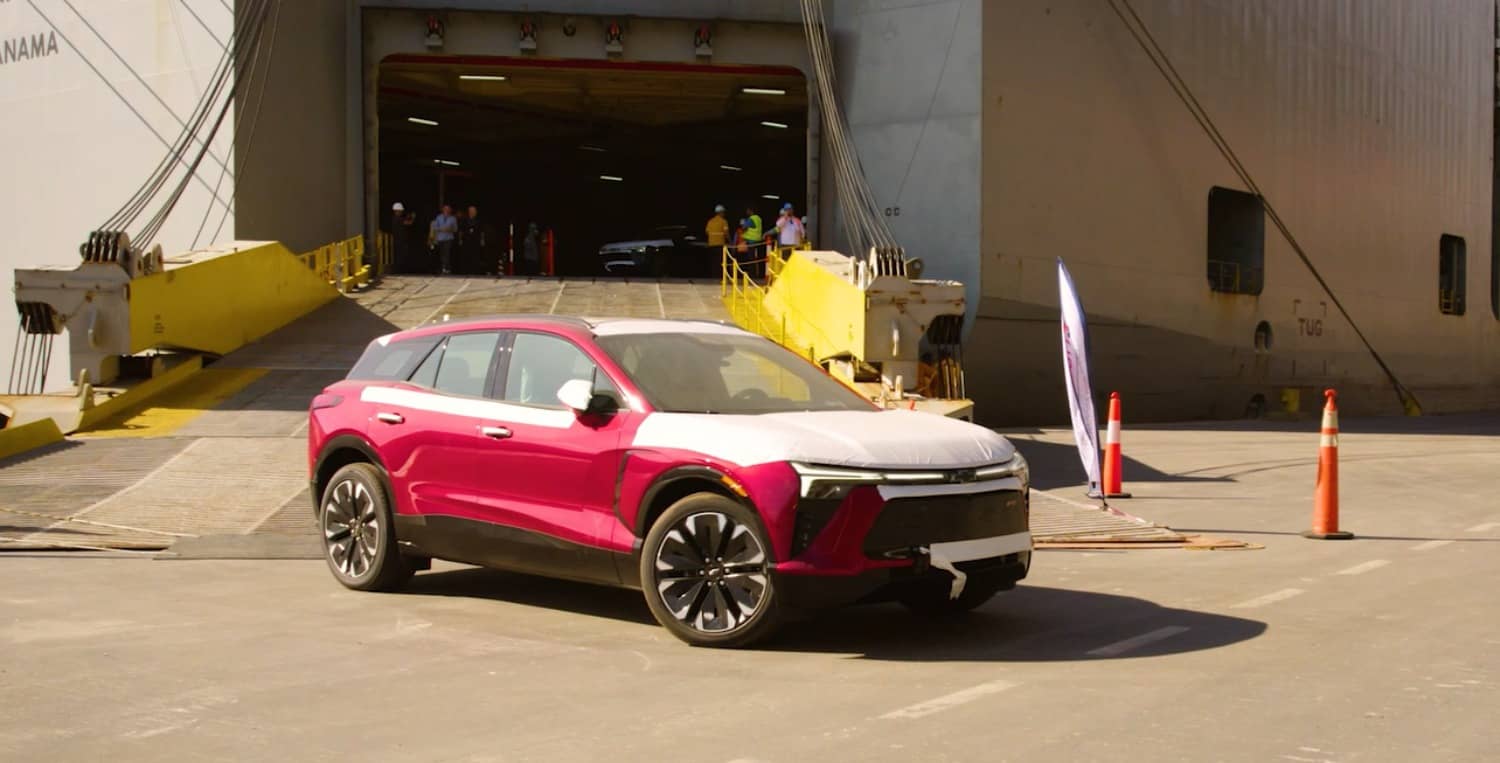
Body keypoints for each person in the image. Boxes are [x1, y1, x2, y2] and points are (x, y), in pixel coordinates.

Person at [459, 204, 493, 275]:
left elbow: (482, 232)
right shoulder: (464, 220)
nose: (472, 212)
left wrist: (482, 240)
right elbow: (461, 231)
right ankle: (466, 271)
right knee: (466, 256)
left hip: (476, 241)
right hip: (466, 241)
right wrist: (460, 240)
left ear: (476, 212)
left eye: (473, 211)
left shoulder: (479, 220)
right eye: (470, 210)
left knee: (475, 257)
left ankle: (475, 271)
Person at [430, 204, 457, 275]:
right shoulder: (438, 217)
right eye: (445, 209)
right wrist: (441, 229)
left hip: (448, 239)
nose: (446, 210)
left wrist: (450, 229)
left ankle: (445, 268)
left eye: (448, 209)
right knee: (442, 254)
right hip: (440, 238)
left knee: (447, 253)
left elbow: (455, 229)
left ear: (450, 210)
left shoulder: (453, 218)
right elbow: (435, 227)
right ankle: (444, 268)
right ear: (443, 210)